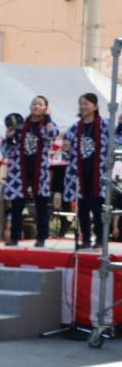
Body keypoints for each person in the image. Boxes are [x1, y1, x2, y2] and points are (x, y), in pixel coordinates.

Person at [3, 98, 59, 247]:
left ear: (46, 108)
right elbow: (6, 151)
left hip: (39, 172)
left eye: (40, 104)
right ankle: (14, 238)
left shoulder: (47, 125)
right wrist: (9, 139)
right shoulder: (20, 126)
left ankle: (41, 237)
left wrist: (48, 117)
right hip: (18, 171)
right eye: (34, 103)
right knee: (17, 206)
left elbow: (53, 133)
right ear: (29, 106)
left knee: (41, 206)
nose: (36, 106)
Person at [63, 92, 112, 249]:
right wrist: (66, 148)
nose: (83, 106)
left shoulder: (105, 124)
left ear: (95, 106)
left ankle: (100, 239)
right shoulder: (74, 127)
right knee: (82, 209)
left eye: (86, 103)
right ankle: (85, 239)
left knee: (97, 208)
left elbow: (117, 141)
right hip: (79, 174)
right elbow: (65, 152)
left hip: (99, 174)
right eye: (81, 103)